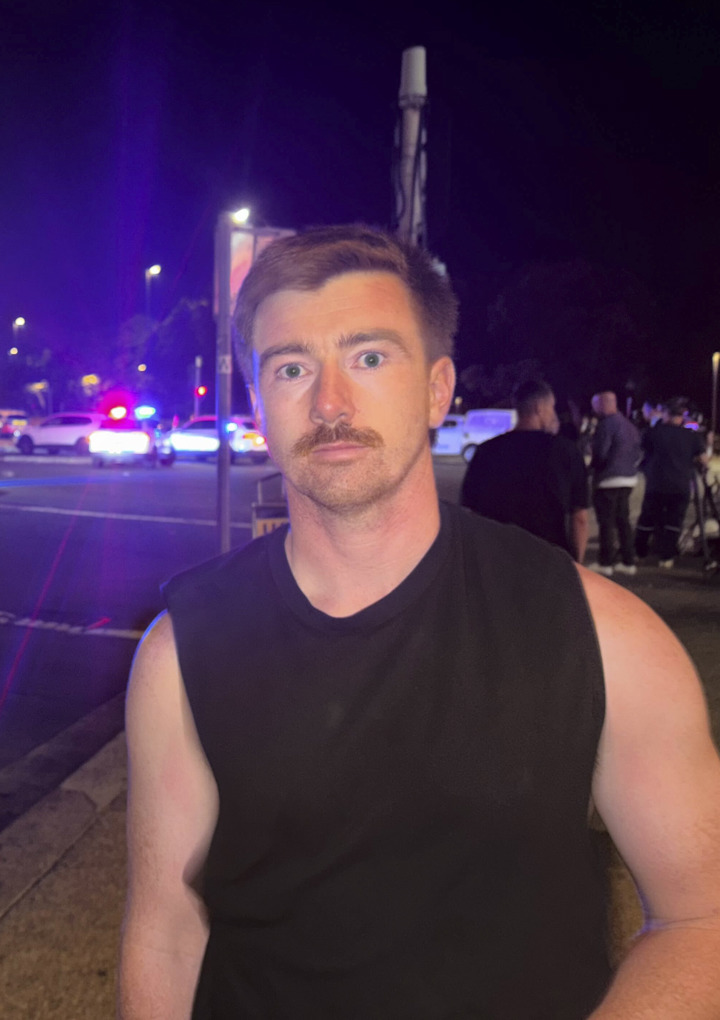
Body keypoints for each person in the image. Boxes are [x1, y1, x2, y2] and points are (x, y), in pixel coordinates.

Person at [119, 226, 720, 1019]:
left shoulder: (605, 636)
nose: (330, 402)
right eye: (293, 368)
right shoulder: (180, 653)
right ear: (259, 403)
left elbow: (700, 916)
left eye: (369, 358)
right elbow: (165, 926)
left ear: (437, 390)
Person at [460, 377, 590, 561]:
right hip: (550, 560)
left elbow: (469, 512)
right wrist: (577, 564)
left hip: (497, 559)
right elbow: (580, 518)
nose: (553, 414)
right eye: (551, 408)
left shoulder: (486, 452)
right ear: (539, 408)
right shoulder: (566, 452)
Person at [635, 397, 710, 567]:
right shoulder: (692, 436)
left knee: (647, 518)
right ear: (682, 416)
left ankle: (640, 552)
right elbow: (703, 460)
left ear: (666, 414)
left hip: (656, 484)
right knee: (674, 521)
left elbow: (643, 452)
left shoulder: (653, 432)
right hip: (680, 485)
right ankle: (666, 557)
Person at [589, 390, 642, 577]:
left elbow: (601, 453)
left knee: (606, 522)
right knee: (623, 521)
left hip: (608, 479)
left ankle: (606, 562)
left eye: (595, 405)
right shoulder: (629, 426)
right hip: (628, 478)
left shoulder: (606, 425)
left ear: (603, 404)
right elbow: (637, 452)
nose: (594, 409)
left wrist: (592, 469)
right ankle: (628, 561)